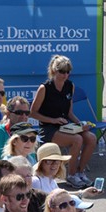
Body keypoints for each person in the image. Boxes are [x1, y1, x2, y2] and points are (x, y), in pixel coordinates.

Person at [30, 57, 96, 188]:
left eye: (68, 72)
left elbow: (69, 112)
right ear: (54, 71)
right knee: (77, 139)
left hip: (66, 127)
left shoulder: (70, 86)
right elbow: (33, 113)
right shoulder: (44, 88)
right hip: (48, 128)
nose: (65, 75)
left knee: (91, 138)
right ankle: (71, 175)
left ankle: (80, 172)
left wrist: (80, 124)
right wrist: (53, 120)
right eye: (62, 71)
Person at [0, 97, 29, 166]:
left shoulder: (31, 138)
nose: (23, 116)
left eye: (27, 113)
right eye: (19, 113)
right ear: (8, 114)